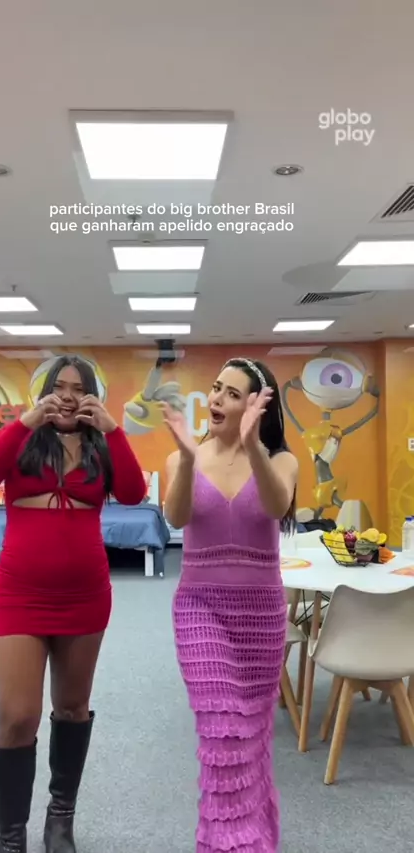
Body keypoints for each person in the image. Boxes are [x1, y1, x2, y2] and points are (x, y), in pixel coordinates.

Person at [0, 354, 147, 853]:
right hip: (19, 594)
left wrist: (113, 431)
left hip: (85, 595)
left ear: (92, 396)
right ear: (45, 392)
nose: (68, 396)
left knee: (71, 707)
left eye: (79, 388)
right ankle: (11, 836)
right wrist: (25, 421)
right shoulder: (24, 437)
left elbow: (133, 493)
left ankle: (60, 818)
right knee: (17, 716)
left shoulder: (100, 444)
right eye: (59, 387)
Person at [162, 357, 298, 853]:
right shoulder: (184, 457)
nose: (217, 399)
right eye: (216, 388)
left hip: (260, 612)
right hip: (200, 608)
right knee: (222, 734)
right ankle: (222, 843)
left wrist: (254, 447)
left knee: (252, 732)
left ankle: (255, 833)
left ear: (255, 407)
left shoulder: (281, 461)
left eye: (232, 394)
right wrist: (186, 460)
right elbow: (176, 518)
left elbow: (277, 506)